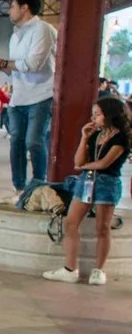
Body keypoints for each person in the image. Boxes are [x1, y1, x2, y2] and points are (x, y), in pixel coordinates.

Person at [42, 96, 129, 286]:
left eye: (97, 114)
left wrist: (83, 167)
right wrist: (84, 138)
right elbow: (78, 161)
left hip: (107, 182)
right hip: (87, 180)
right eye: (93, 114)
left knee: (102, 227)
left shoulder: (121, 137)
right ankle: (70, 268)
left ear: (110, 115)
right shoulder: (96, 135)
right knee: (71, 222)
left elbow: (105, 163)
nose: (94, 118)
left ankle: (99, 270)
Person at [0, 0, 57, 196]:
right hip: (19, 97)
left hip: (41, 95)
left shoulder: (43, 29)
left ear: (25, 8)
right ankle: (20, 187)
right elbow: (16, 67)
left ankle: (40, 185)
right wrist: (0, 68)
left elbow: (33, 64)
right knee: (16, 142)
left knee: (34, 141)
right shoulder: (15, 35)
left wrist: (3, 63)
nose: (9, 11)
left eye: (12, 6)